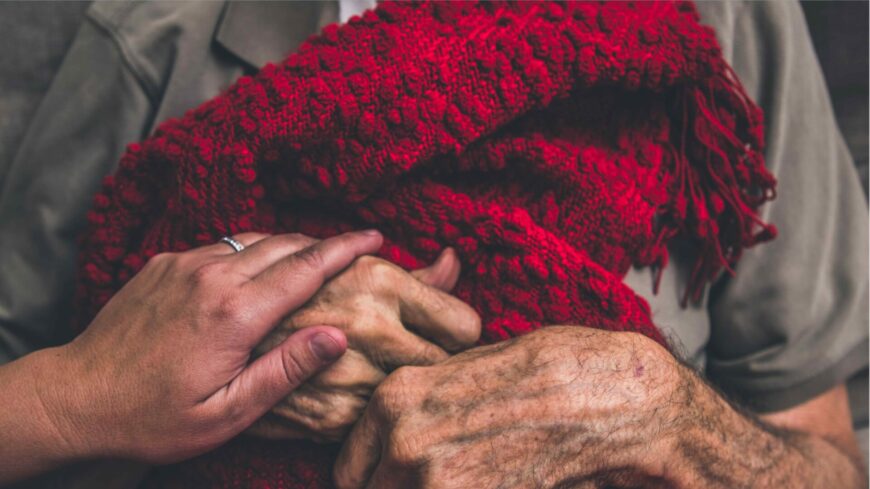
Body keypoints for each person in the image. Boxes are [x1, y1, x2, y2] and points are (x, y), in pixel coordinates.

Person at [0, 1, 866, 487]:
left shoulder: (724, 27)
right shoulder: (159, 37)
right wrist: (235, 336)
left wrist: (669, 418)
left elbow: (830, 462)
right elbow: (36, 407)